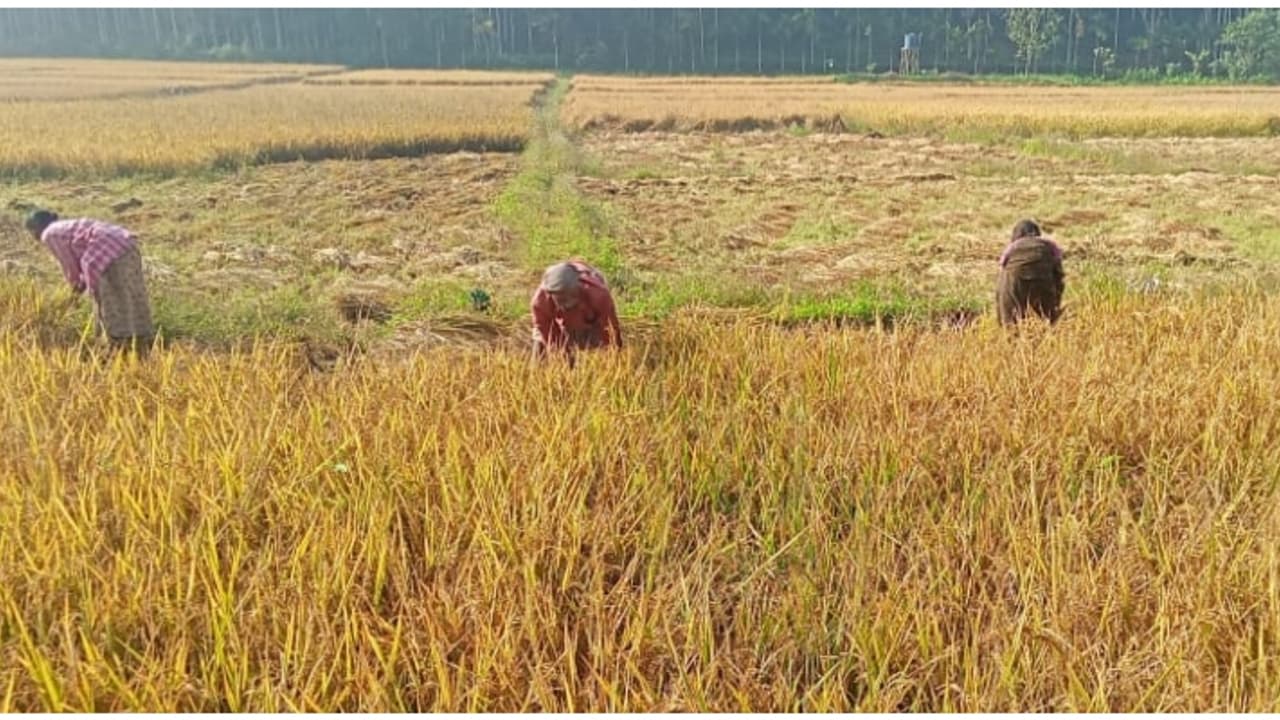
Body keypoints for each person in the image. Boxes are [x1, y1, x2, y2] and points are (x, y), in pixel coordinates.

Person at [25, 210, 155, 353]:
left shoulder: (49, 234)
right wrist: (79, 285)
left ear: (35, 228)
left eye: (31, 233)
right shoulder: (65, 226)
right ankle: (143, 339)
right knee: (131, 294)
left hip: (105, 252)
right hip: (126, 245)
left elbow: (69, 266)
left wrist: (73, 291)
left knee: (108, 302)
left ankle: (117, 346)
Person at [531, 260, 622, 363]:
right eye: (561, 300)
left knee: (596, 340)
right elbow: (547, 333)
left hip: (588, 317)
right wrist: (565, 357)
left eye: (571, 297)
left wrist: (613, 357)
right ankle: (534, 370)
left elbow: (611, 330)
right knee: (539, 339)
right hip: (559, 318)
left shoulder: (598, 294)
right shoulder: (540, 303)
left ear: (578, 288)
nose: (567, 303)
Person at [995, 219, 1064, 326]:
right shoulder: (1049, 246)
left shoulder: (1011, 249)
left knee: (1011, 326)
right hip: (1043, 280)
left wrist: (1002, 317)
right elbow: (1059, 277)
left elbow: (1002, 274)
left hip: (1014, 281)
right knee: (1045, 323)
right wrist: (1055, 307)